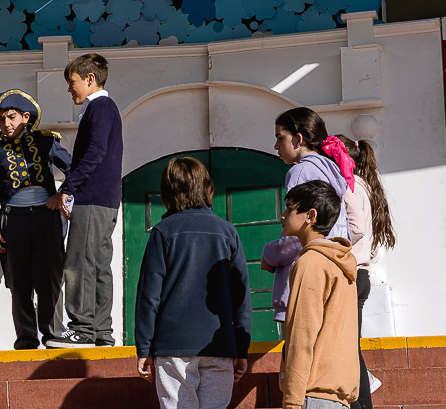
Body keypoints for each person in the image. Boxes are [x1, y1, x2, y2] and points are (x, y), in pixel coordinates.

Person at [135, 157, 251, 409]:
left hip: (173, 345)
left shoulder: (163, 231)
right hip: (220, 345)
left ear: (167, 192)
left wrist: (144, 348)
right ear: (207, 188)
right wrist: (241, 349)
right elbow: (241, 296)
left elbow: (149, 296)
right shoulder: (227, 232)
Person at [0, 89, 72, 349]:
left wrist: (62, 194)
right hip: (14, 221)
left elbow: (74, 169)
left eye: (11, 117)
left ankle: (53, 335)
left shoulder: (46, 142)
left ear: (25, 117)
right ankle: (26, 339)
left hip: (46, 217)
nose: (6, 123)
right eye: (1, 119)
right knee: (19, 282)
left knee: (50, 277)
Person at [45, 53, 123, 348]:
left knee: (79, 262)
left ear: (90, 79)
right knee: (99, 264)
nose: (69, 89)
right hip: (105, 199)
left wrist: (67, 188)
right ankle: (101, 331)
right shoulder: (105, 108)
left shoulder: (99, 107)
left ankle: (82, 328)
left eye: (72, 82)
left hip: (92, 198)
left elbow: (94, 152)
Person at [262, 107, 355, 324]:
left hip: (305, 281)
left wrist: (270, 255)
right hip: (333, 272)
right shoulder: (333, 171)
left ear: (298, 138)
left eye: (280, 137)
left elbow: (300, 231)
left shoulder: (300, 172)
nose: (276, 145)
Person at [279, 180, 359, 408]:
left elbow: (302, 334)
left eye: (290, 208)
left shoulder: (311, 263)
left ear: (310, 215)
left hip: (311, 394)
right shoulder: (340, 262)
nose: (282, 215)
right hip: (338, 395)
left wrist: (292, 400)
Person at [337, 135, 396, 408]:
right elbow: (370, 243)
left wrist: (335, 245)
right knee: (352, 347)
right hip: (362, 274)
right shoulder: (364, 187)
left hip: (351, 274)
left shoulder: (349, 188)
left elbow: (357, 228)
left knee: (349, 349)